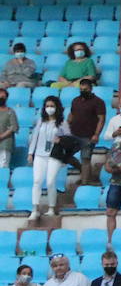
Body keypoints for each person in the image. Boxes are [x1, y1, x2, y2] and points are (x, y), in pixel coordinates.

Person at [26, 95, 70, 223]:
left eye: (52, 106)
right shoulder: (41, 121)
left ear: (57, 108)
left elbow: (69, 140)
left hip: (54, 155)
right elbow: (35, 137)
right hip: (40, 155)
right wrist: (31, 153)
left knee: (50, 181)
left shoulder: (62, 123)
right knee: (37, 181)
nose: (49, 109)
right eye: (47, 106)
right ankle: (35, 209)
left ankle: (51, 207)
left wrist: (61, 142)